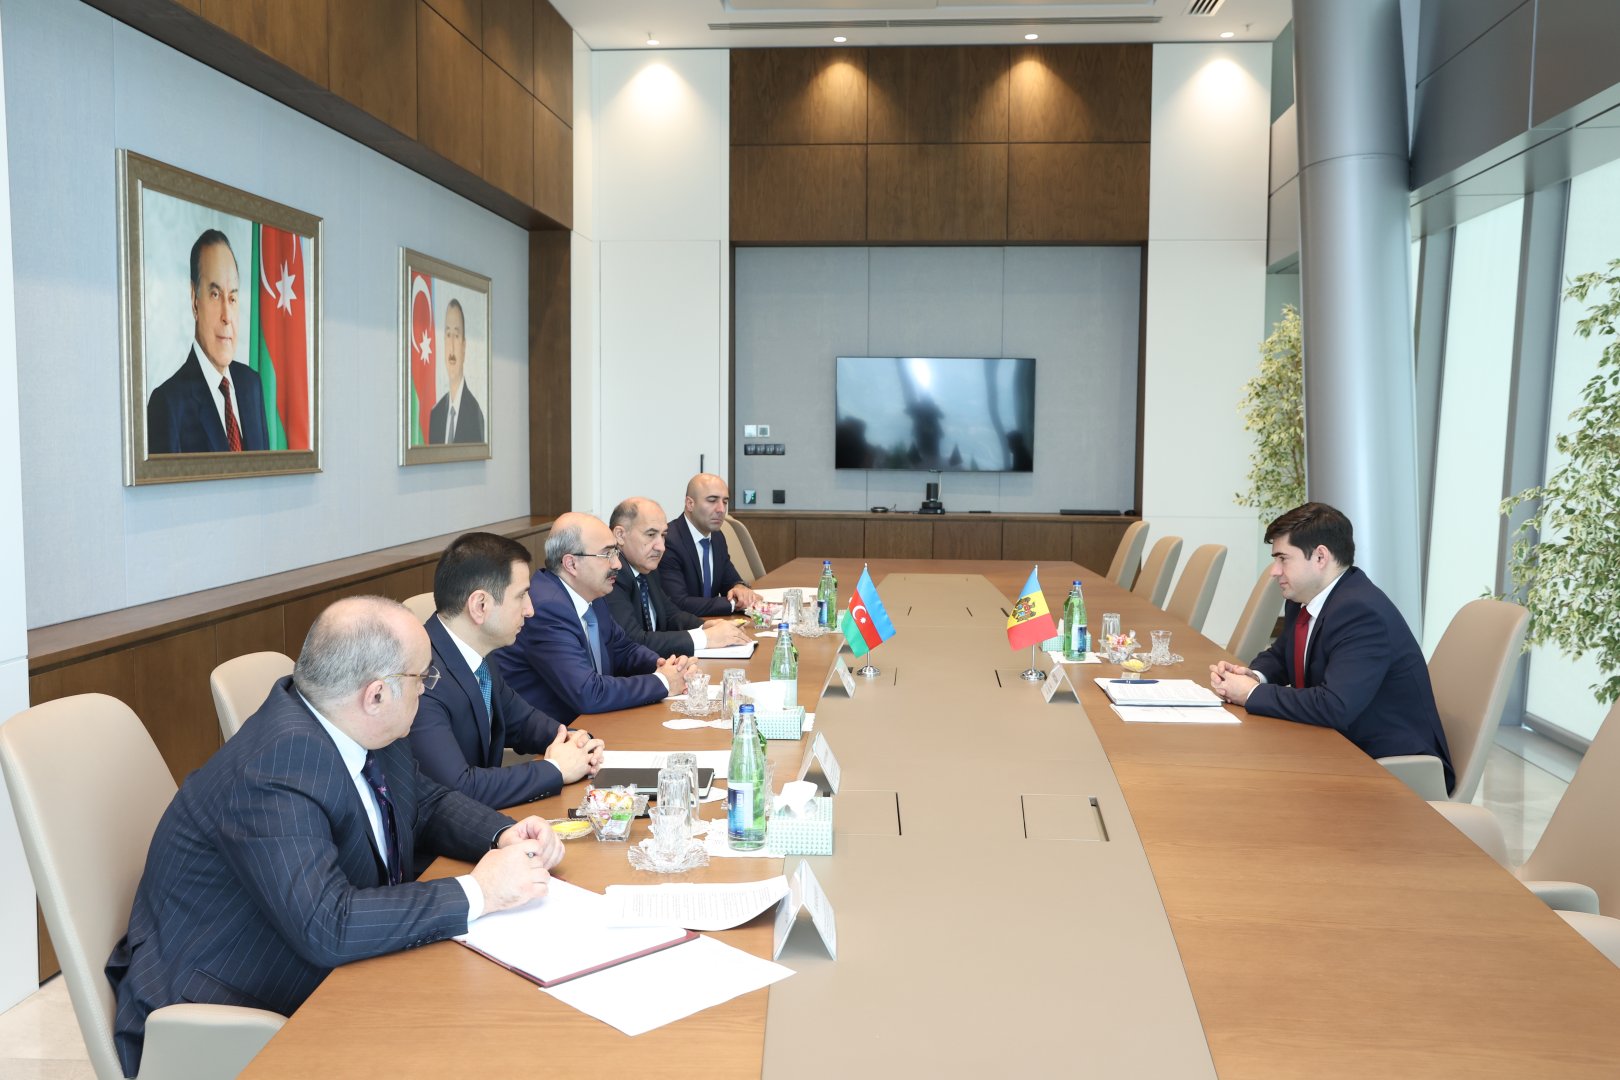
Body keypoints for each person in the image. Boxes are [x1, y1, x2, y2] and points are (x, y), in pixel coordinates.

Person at [106, 596, 562, 1078]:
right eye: (422, 678)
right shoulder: (274, 770)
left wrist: (501, 833)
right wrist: (480, 891)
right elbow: (330, 925)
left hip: (321, 964)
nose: (428, 689)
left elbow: (424, 802)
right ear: (376, 695)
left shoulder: (352, 720)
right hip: (227, 1006)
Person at [1209, 502, 1454, 791]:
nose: (1275, 571)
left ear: (1320, 557)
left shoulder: (1361, 612)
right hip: (1335, 744)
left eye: (1283, 559)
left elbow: (1334, 706)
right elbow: (1283, 655)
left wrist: (1250, 693)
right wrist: (1254, 676)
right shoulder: (1305, 599)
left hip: (1390, 765)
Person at [409, 532, 604, 814]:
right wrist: (556, 769)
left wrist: (576, 741)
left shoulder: (479, 654)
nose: (530, 610)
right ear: (480, 605)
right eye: (521, 595)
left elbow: (522, 722)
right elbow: (460, 787)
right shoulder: (421, 678)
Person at [493, 512, 700, 725]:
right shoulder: (546, 609)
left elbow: (623, 649)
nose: (617, 564)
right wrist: (663, 681)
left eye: (616, 552)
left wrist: (665, 666)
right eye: (607, 554)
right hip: (554, 733)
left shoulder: (592, 593)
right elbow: (588, 693)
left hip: (593, 722)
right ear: (571, 564)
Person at [146, 229, 270, 454]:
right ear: (195, 300)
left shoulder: (252, 385)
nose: (227, 316)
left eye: (232, 298)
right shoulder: (167, 405)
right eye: (215, 295)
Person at [605, 497, 753, 656]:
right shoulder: (612, 575)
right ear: (620, 535)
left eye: (663, 535)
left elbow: (670, 615)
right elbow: (634, 641)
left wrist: (705, 626)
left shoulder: (645, 566)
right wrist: (705, 638)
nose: (661, 547)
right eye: (651, 534)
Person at [659, 473, 763, 618]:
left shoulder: (717, 537)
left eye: (725, 502)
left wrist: (739, 588)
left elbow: (730, 580)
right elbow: (679, 603)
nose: (721, 509)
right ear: (690, 504)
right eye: (712, 500)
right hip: (684, 628)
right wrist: (734, 603)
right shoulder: (668, 541)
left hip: (714, 623)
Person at [428, 298, 485, 444]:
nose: (452, 346)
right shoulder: (435, 416)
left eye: (457, 336)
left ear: (464, 347)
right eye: (448, 335)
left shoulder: (476, 414)